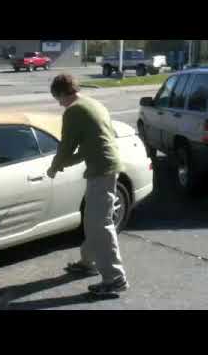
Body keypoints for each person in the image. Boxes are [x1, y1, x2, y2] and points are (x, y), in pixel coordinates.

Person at [46, 73, 129, 296]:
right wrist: (65, 163)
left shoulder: (73, 111)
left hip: (102, 171)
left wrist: (55, 167)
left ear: (62, 93)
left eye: (58, 99)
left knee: (99, 224)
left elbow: (66, 145)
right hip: (107, 166)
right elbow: (89, 146)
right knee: (93, 220)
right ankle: (88, 262)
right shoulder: (93, 103)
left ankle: (115, 278)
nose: (59, 103)